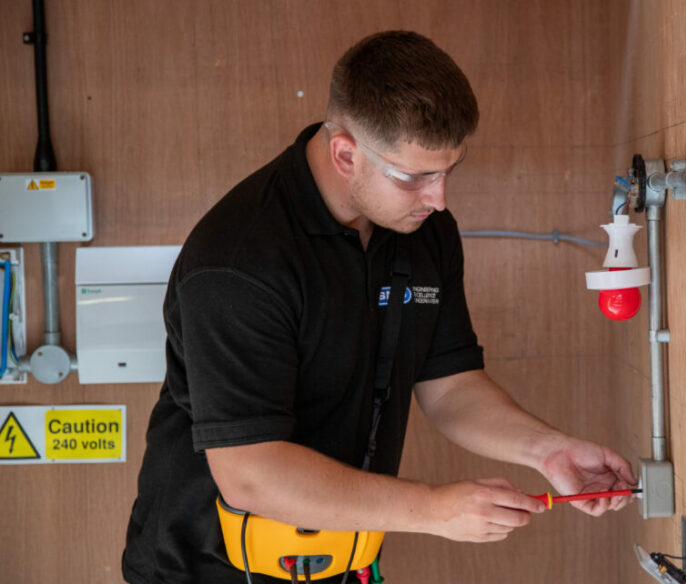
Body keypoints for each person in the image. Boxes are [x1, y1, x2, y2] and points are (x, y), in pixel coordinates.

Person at [122, 30, 637, 584]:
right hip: (205, 567)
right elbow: (252, 473)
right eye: (415, 176)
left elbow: (451, 386)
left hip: (341, 558)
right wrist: (435, 510)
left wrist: (549, 451)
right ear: (346, 153)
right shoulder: (239, 264)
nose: (439, 199)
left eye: (448, 171)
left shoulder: (422, 229)